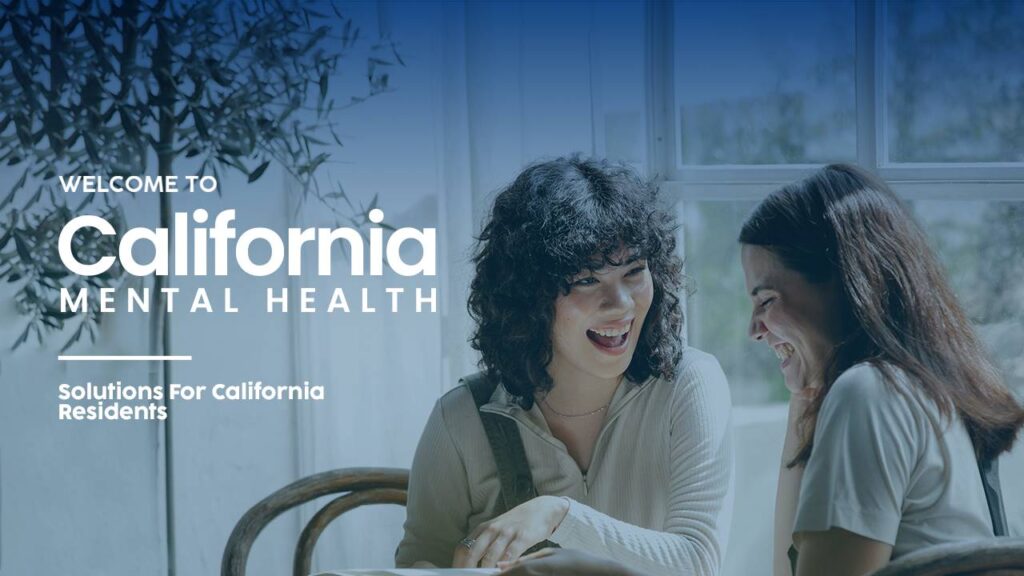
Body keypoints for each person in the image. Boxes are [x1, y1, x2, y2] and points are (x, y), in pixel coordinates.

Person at [395, 156, 734, 576]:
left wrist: (559, 515)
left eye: (634, 272)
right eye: (587, 281)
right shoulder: (459, 417)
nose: (622, 305)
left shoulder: (690, 384)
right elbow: (417, 564)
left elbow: (697, 562)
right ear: (528, 297)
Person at [738, 164, 1024, 576]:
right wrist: (806, 395)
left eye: (765, 301)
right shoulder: (925, 390)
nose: (753, 330)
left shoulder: (868, 394)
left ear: (843, 284)